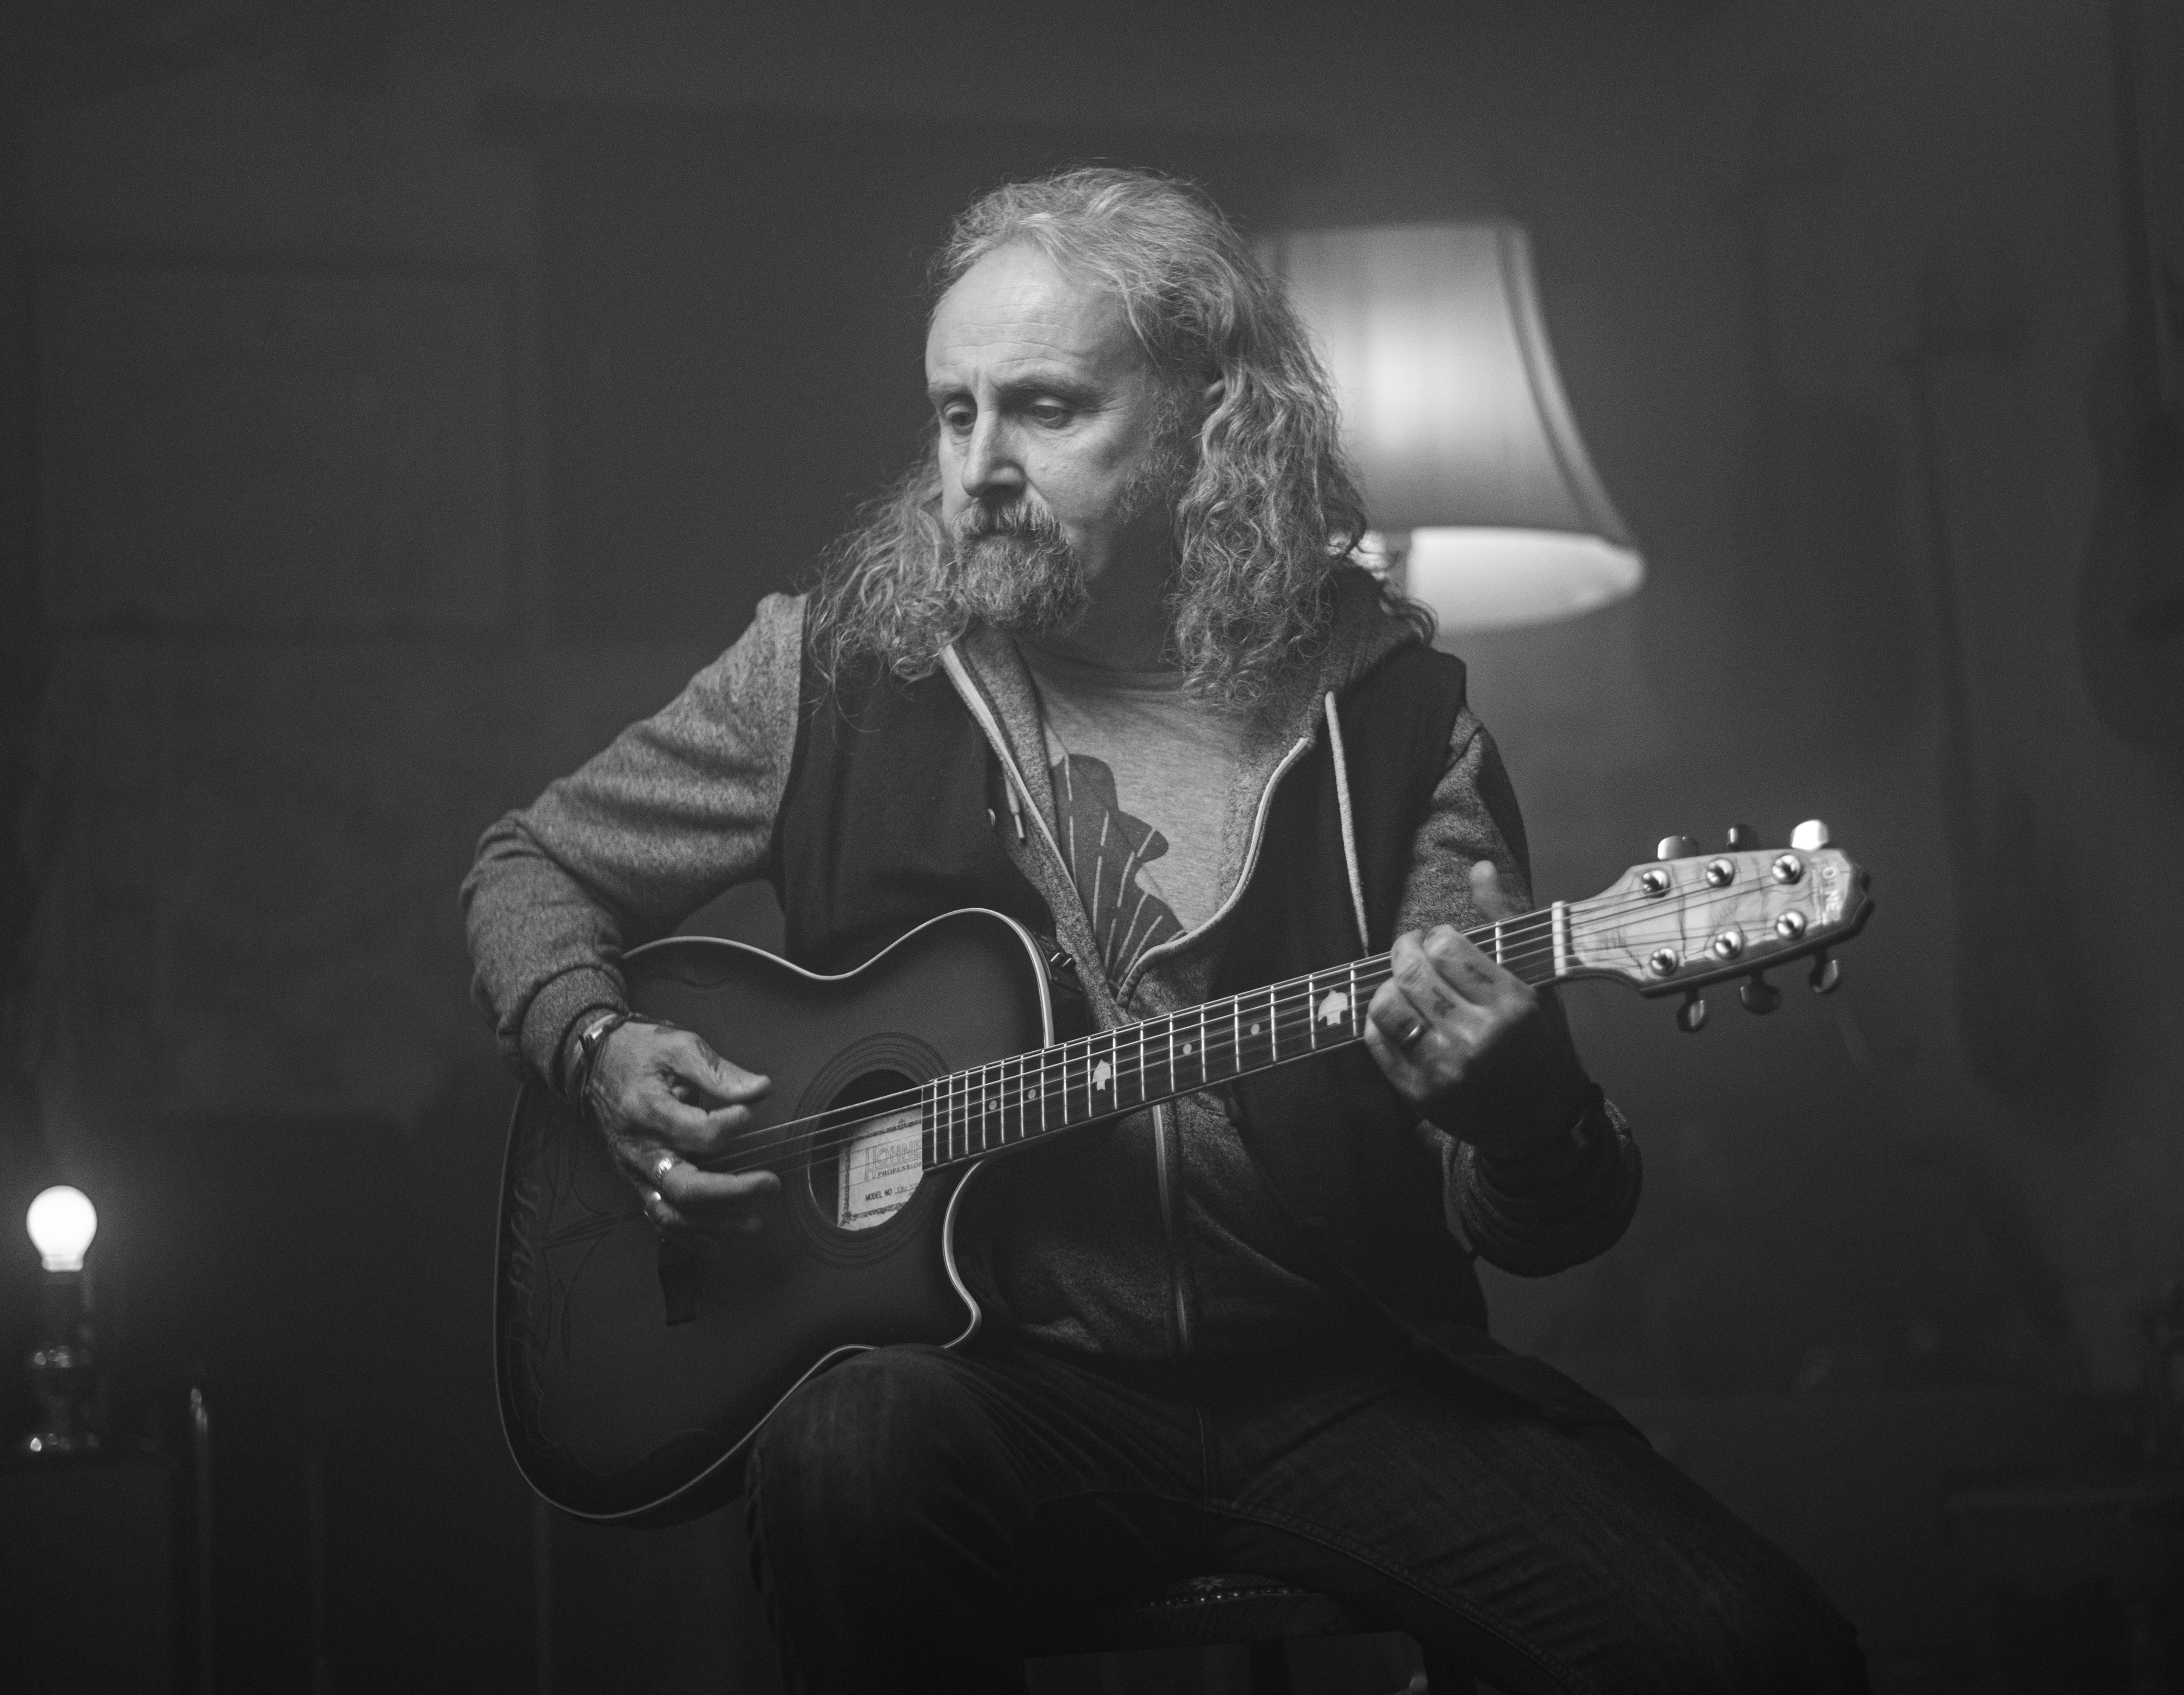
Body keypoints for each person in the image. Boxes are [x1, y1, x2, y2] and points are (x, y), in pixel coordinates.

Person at [463, 166, 1866, 1693]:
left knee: (1754, 1650)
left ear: (1212, 417)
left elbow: (1532, 1225)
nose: (979, 468)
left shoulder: (1396, 726)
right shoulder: (828, 674)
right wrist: (596, 1045)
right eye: (953, 413)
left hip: (1346, 1382)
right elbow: (528, 869)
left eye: (1045, 409)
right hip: (1002, 1394)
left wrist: (1527, 1117)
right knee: (847, 1444)